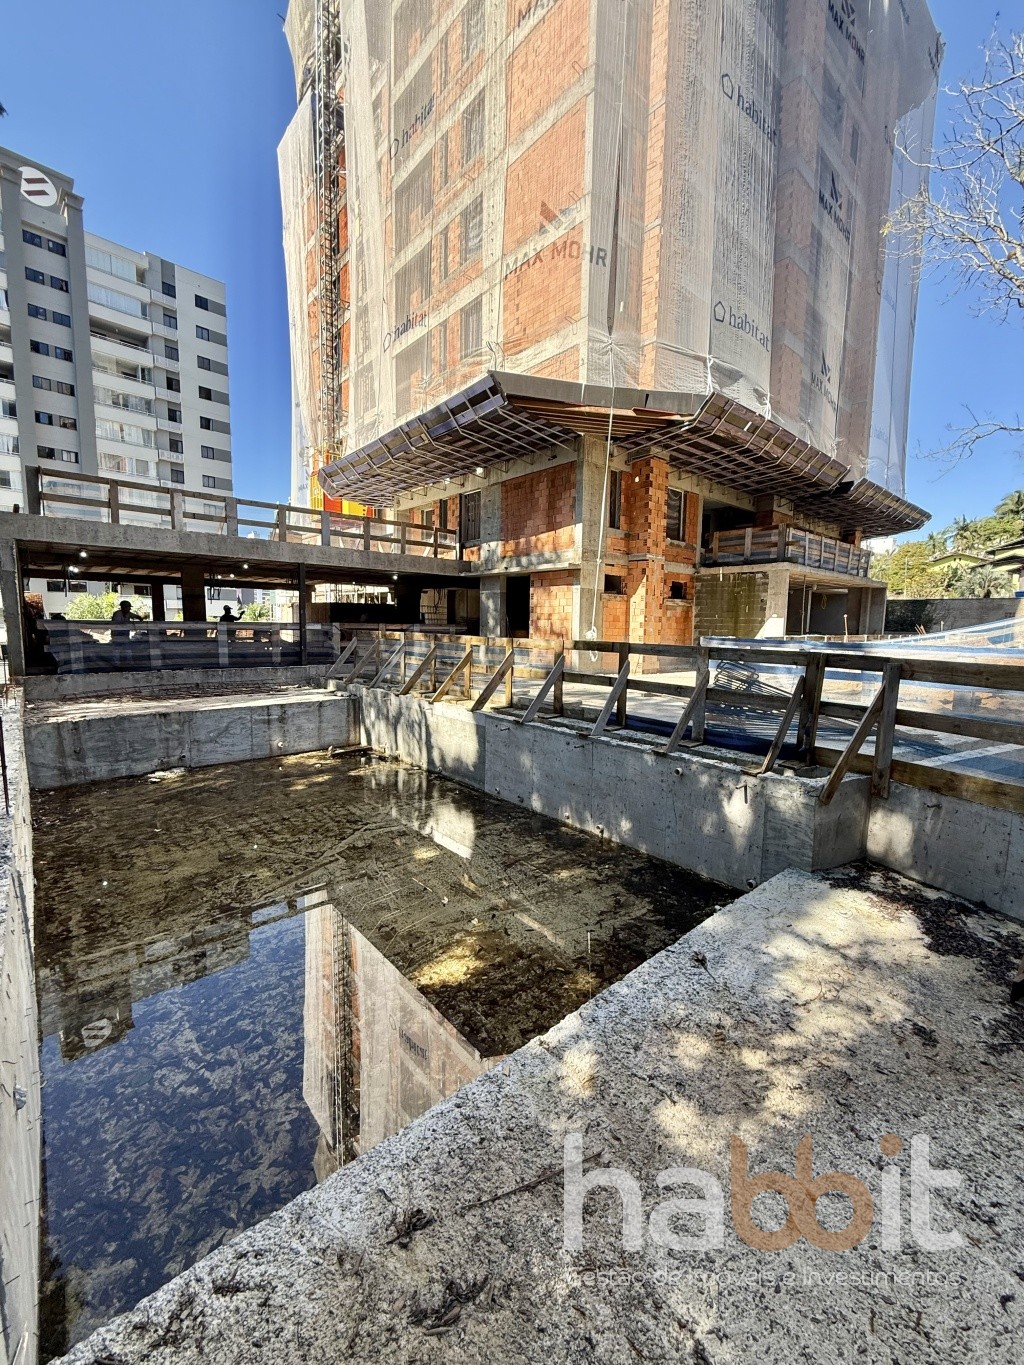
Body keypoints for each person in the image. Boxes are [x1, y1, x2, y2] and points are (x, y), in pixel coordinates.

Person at [110, 599, 143, 669]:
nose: (129, 609)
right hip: (117, 635)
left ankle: (129, 663)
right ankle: (116, 664)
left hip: (125, 636)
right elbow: (118, 624)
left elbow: (136, 616)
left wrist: (140, 618)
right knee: (116, 651)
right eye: (128, 607)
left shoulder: (128, 614)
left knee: (128, 650)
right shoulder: (117, 614)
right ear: (123, 607)